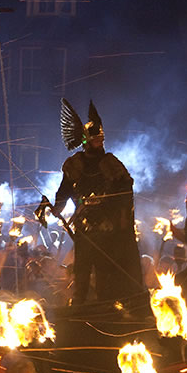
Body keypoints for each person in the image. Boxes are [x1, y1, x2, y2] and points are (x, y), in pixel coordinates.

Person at [51, 99, 145, 309]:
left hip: (107, 227)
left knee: (104, 269)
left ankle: (105, 304)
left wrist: (120, 216)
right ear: (86, 141)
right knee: (82, 266)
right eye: (96, 141)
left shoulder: (111, 163)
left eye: (102, 140)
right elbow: (65, 189)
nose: (100, 144)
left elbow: (125, 191)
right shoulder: (75, 164)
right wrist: (58, 206)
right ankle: (78, 304)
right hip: (84, 226)